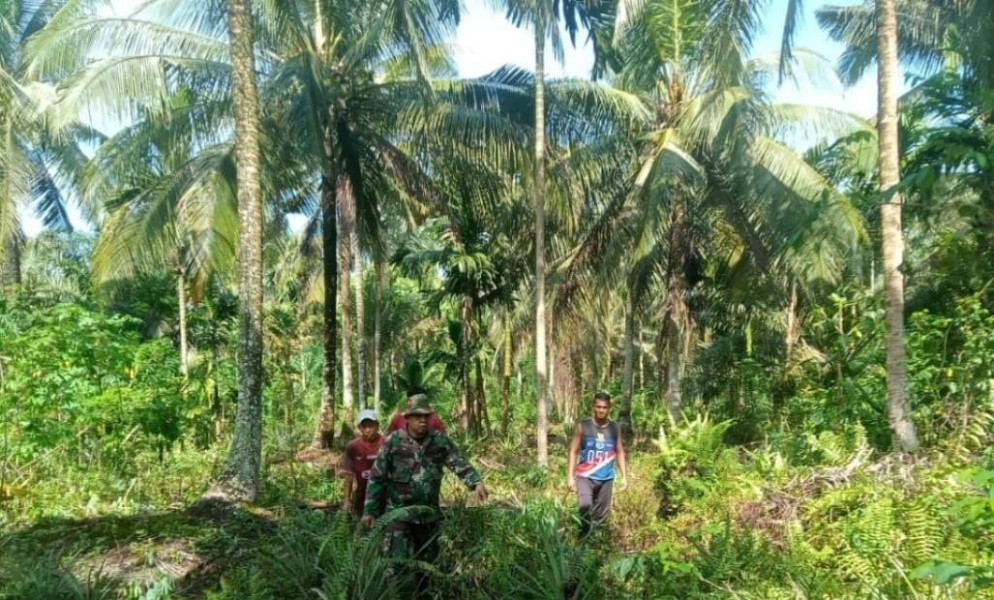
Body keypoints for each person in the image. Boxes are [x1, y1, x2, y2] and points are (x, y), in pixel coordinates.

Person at [361, 397, 487, 577]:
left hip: (428, 516)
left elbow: (458, 462)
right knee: (395, 567)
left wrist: (475, 482)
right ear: (408, 418)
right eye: (418, 416)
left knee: (428, 569)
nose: (423, 420)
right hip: (399, 514)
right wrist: (369, 510)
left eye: (426, 417)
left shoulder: (438, 441)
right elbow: (377, 476)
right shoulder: (393, 442)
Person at [567, 391, 628, 535]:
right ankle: (582, 538)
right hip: (585, 476)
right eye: (598, 407)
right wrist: (570, 477)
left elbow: (619, 451)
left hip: (606, 478)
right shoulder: (583, 427)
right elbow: (573, 451)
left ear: (609, 408)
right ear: (593, 407)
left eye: (604, 407)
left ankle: (595, 546)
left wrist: (624, 476)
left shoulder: (615, 428)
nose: (601, 410)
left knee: (601, 517)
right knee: (585, 506)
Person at [340, 408, 384, 516]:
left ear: (377, 425)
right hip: (362, 497)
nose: (368, 430)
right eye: (364, 426)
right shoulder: (353, 446)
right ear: (360, 428)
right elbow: (348, 476)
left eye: (371, 425)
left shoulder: (387, 443)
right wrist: (346, 500)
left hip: (384, 497)